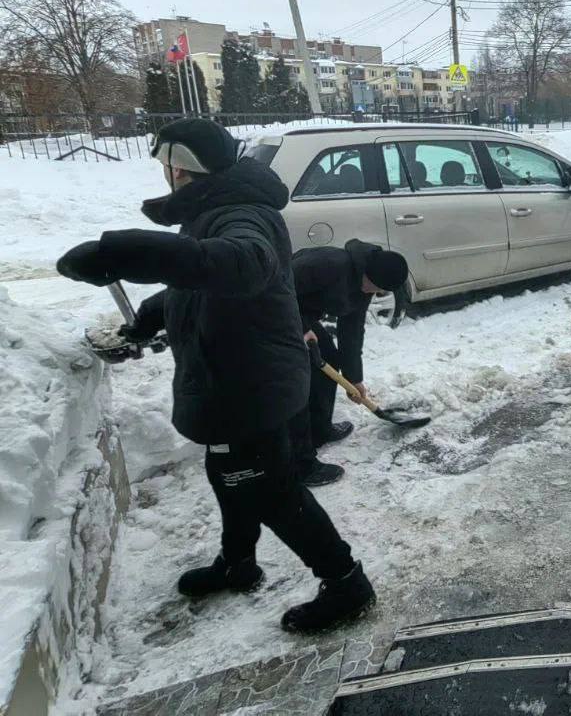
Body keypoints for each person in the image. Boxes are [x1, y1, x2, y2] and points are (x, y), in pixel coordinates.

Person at [55, 118, 375, 633]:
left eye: (167, 166)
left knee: (272, 491)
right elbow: (198, 280)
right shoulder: (216, 210)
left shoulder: (243, 215)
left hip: (250, 383)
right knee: (228, 474)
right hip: (237, 376)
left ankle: (346, 583)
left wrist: (124, 253)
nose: (165, 174)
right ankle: (238, 563)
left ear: (180, 169)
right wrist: (149, 318)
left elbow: (238, 263)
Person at [291, 239, 409, 487]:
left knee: (327, 359)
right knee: (297, 379)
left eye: (379, 291)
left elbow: (352, 330)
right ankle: (300, 465)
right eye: (374, 287)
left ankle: (319, 429)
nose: (373, 293)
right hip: (269, 315)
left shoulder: (363, 283)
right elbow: (274, 290)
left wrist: (354, 379)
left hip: (301, 316)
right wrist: (299, 328)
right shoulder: (327, 265)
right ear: (367, 272)